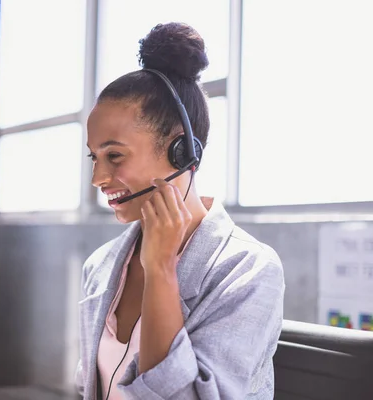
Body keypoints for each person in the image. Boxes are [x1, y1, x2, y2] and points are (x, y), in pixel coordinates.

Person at [76, 22, 285, 400]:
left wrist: (161, 270)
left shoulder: (249, 270)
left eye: (115, 156)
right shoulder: (101, 267)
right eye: (94, 157)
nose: (97, 178)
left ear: (181, 151)